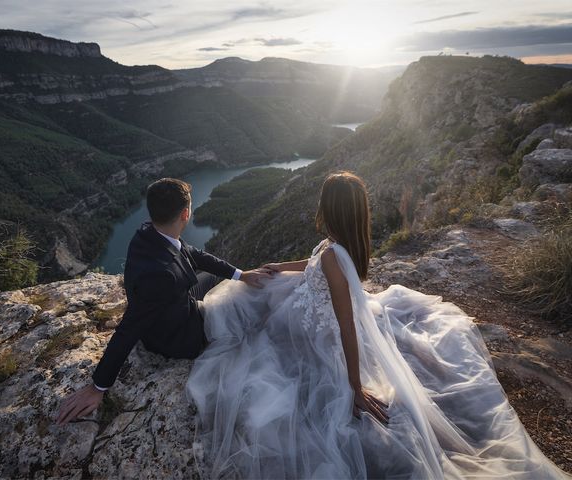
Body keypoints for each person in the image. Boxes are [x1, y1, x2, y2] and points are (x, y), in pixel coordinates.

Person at [185, 171, 570, 479]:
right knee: (252, 295)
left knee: (259, 352)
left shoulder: (336, 257)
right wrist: (278, 267)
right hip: (304, 311)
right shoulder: (335, 244)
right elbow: (312, 261)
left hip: (320, 334)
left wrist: (354, 385)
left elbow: (346, 323)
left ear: (330, 209)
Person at [56, 178, 272, 425]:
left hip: (174, 304)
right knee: (240, 308)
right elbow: (129, 328)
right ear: (185, 213)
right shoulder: (161, 275)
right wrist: (98, 386)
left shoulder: (149, 232)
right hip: (180, 337)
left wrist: (241, 274)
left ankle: (237, 282)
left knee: (217, 276)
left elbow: (194, 254)